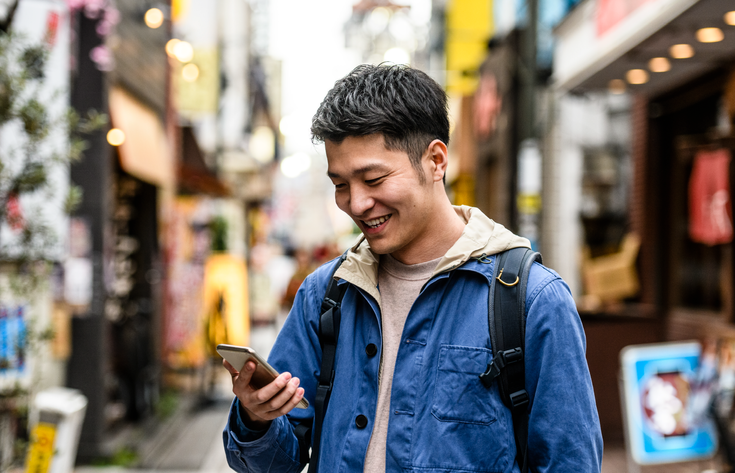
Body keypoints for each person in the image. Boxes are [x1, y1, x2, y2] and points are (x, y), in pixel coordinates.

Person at [222, 64, 603, 472]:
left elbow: (570, 461)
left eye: (374, 178)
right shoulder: (325, 294)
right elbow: (273, 463)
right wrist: (256, 418)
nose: (356, 203)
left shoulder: (531, 300)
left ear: (436, 160)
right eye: (341, 185)